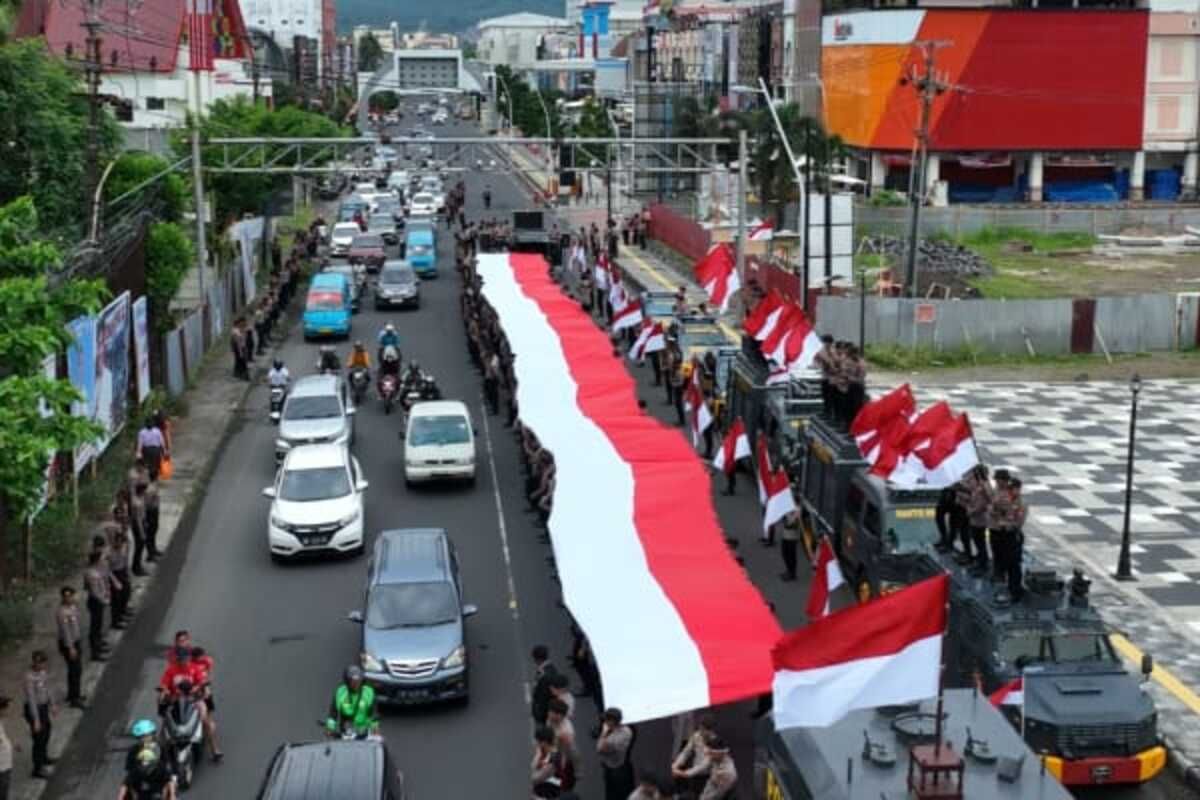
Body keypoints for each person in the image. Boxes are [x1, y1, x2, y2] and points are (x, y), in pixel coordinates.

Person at [158, 647, 224, 761]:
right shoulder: (171, 670)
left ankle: (214, 749)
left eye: (186, 658)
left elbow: (203, 682)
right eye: (181, 659)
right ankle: (161, 753)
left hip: (194, 699)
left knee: (205, 720)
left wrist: (197, 688)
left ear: (189, 658)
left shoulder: (195, 669)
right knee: (165, 724)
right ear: (178, 659)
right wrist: (165, 691)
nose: (184, 661)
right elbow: (164, 684)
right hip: (176, 700)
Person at [119, 719, 177, 800]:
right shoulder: (133, 751)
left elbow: (167, 770)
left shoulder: (160, 748)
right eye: (142, 737)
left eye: (148, 736)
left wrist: (171, 794)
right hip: (140, 786)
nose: (146, 739)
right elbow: (128, 776)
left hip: (158, 785)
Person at [672, 736, 736, 800]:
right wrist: (683, 773)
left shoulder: (728, 772)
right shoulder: (715, 758)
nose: (708, 755)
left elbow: (717, 794)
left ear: (720, 753)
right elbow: (701, 766)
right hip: (710, 789)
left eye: (711, 753)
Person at [23, 651, 54, 780]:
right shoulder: (29, 677)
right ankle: (37, 768)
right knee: (38, 738)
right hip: (34, 710)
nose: (41, 665)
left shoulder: (42, 672)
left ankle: (44, 757)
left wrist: (52, 703)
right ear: (34, 662)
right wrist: (35, 720)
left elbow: (47, 688)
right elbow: (31, 700)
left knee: (47, 731)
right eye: (39, 662)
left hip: (43, 707)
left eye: (43, 662)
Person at [326, 666, 378, 739]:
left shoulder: (368, 692)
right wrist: (330, 728)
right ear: (347, 682)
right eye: (353, 682)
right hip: (345, 733)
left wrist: (375, 728)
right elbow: (333, 714)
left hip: (363, 733)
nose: (356, 684)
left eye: (358, 681)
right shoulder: (340, 692)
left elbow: (373, 713)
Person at [56, 587, 86, 709]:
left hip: (76, 641)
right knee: (75, 670)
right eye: (67, 596)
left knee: (75, 670)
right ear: (63, 597)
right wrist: (71, 647)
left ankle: (73, 694)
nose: (70, 598)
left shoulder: (73, 607)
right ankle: (75, 699)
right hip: (69, 644)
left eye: (71, 596)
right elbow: (65, 631)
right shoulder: (62, 612)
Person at [596, 708, 636, 800]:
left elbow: (599, 748)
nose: (604, 722)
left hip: (613, 767)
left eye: (606, 720)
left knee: (614, 792)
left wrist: (603, 733)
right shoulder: (627, 730)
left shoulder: (612, 740)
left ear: (612, 721)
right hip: (623, 764)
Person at [84, 549, 113, 661]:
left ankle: (99, 645)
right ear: (96, 561)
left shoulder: (95, 570)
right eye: (101, 559)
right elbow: (95, 592)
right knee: (95, 627)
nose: (103, 560)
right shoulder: (92, 574)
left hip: (98, 600)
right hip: (96, 602)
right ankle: (95, 652)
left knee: (98, 624)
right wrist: (104, 600)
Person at [531, 645, 560, 726]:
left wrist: (539, 713)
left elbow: (543, 696)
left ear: (538, 659)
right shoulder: (551, 668)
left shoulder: (543, 674)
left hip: (544, 710)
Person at [0, 696, 12, 800]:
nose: (8, 710)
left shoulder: (1, 722)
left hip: (5, 763)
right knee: (3, 791)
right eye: (6, 708)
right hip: (2, 766)